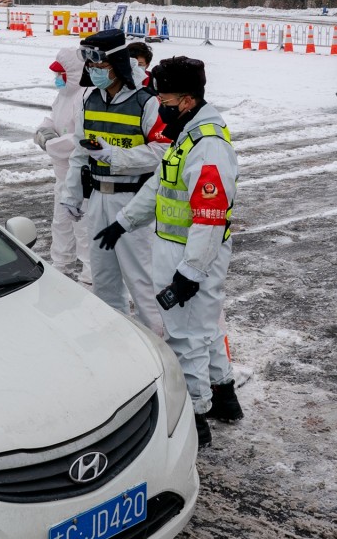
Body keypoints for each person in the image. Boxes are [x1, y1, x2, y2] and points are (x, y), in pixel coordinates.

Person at [94, 56, 242, 447]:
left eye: (166, 100)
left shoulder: (207, 146)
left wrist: (190, 272)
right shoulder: (188, 135)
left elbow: (210, 218)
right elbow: (160, 185)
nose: (160, 107)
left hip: (190, 257)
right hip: (185, 252)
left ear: (188, 100)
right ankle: (223, 395)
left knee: (185, 337)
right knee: (205, 331)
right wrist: (124, 221)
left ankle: (195, 417)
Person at [61, 29, 170, 336]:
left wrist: (114, 155)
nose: (95, 72)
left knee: (142, 280)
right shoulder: (90, 100)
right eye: (91, 67)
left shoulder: (146, 102)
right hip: (98, 199)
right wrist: (72, 194)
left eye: (101, 66)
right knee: (104, 280)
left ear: (117, 64)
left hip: (133, 201)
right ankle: (117, 341)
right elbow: (80, 152)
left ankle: (165, 348)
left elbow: (161, 152)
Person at [34, 48, 92, 284]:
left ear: (74, 73)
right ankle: (61, 263)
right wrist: (43, 131)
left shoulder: (86, 96)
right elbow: (52, 119)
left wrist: (51, 143)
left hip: (79, 174)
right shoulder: (64, 95)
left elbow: (81, 138)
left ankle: (90, 272)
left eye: (61, 73)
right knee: (61, 221)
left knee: (83, 226)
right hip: (62, 172)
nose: (57, 78)